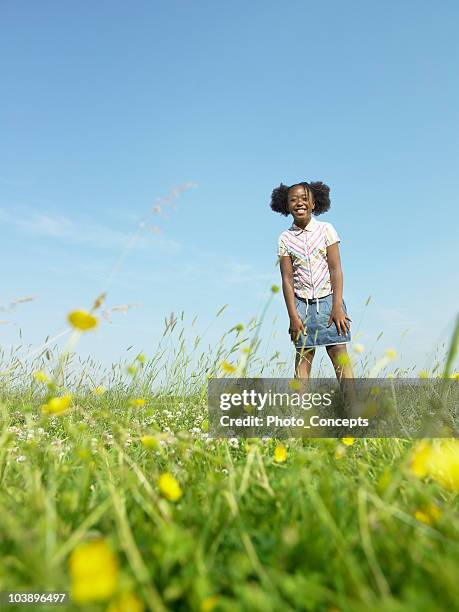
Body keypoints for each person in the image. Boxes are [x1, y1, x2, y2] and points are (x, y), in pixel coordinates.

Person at [271, 180, 355, 389]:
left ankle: (355, 412)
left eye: (304, 198)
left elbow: (336, 270)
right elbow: (287, 279)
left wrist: (337, 307)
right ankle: (300, 416)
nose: (299, 202)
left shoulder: (326, 229)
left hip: (329, 302)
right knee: (302, 361)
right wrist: (293, 315)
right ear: (287, 205)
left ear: (313, 203)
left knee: (340, 358)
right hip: (301, 306)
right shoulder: (285, 238)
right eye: (293, 199)